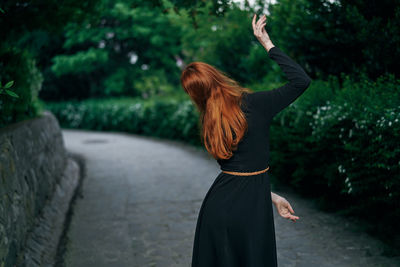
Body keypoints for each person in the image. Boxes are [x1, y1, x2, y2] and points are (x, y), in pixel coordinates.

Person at [180, 13, 311, 267]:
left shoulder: (209, 123)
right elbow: (300, 81)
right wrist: (267, 43)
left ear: (196, 95)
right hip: (249, 213)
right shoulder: (256, 104)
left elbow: (239, 172)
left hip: (217, 209)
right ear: (217, 77)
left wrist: (271, 196)